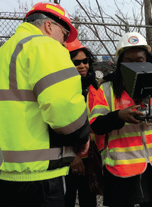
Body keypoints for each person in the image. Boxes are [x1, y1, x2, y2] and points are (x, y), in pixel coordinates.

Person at [0, 2, 90, 207]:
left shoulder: (5, 51)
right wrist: (83, 135)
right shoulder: (45, 46)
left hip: (6, 173)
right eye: (65, 35)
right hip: (40, 176)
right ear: (50, 26)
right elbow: (64, 109)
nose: (64, 43)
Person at [87, 32, 152, 207]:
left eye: (139, 60)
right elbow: (96, 125)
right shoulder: (107, 89)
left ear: (147, 59)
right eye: (128, 61)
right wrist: (119, 116)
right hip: (121, 168)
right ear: (120, 63)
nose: (134, 65)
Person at [64, 39, 98, 207]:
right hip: (68, 157)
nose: (83, 66)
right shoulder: (62, 89)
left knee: (89, 200)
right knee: (66, 198)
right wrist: (72, 156)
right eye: (76, 62)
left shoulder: (95, 87)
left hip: (90, 155)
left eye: (86, 61)